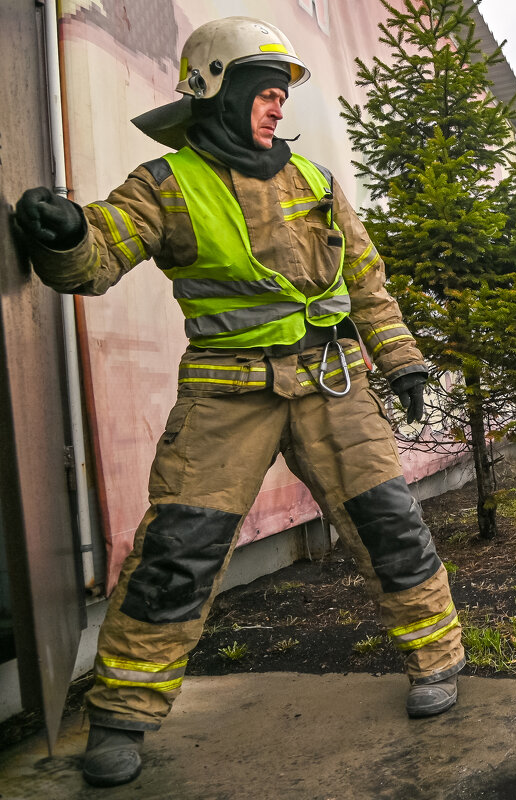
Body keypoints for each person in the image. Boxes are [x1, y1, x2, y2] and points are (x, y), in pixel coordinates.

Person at [13, 17, 463, 787]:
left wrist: (405, 363)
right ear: (217, 87)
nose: (279, 106)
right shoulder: (166, 184)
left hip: (332, 381)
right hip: (228, 393)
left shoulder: (317, 184)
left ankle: (436, 661)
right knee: (177, 551)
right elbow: (98, 254)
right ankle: (121, 714)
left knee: (390, 522)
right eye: (266, 90)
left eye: (283, 94)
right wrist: (64, 236)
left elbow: (367, 284)